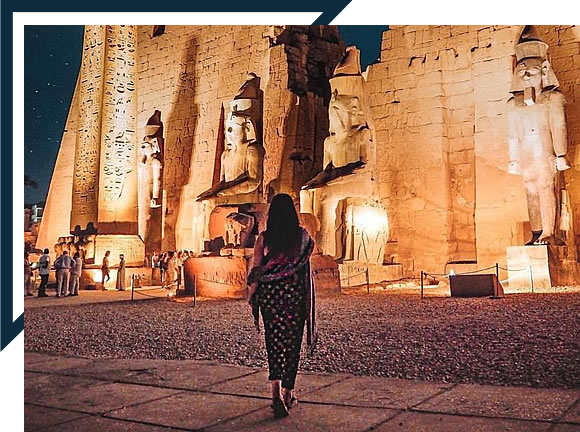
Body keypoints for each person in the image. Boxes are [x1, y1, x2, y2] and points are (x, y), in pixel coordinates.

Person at [247, 193, 315, 418]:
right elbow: (305, 266)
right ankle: (288, 393)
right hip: (294, 295)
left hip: (271, 296)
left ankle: (275, 392)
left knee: (273, 342)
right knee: (292, 343)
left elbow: (256, 270)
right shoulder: (302, 236)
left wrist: (252, 293)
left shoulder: (264, 238)